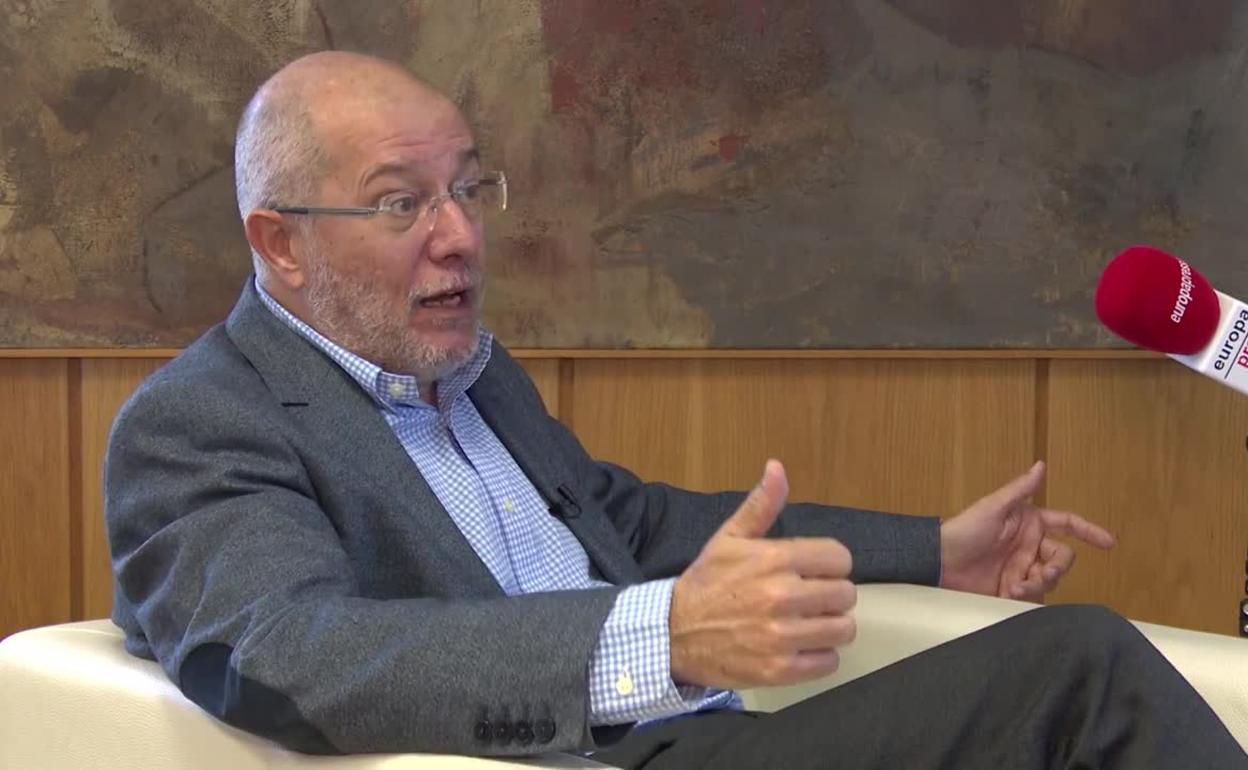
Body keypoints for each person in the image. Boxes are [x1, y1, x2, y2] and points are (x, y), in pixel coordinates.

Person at [104, 50, 1247, 769]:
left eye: (468, 187)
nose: (460, 235)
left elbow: (632, 521)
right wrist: (657, 640)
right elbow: (290, 651)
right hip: (580, 757)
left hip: (709, 738)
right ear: (282, 244)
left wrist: (939, 550)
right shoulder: (201, 420)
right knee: (1079, 672)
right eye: (402, 203)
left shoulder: (475, 375)